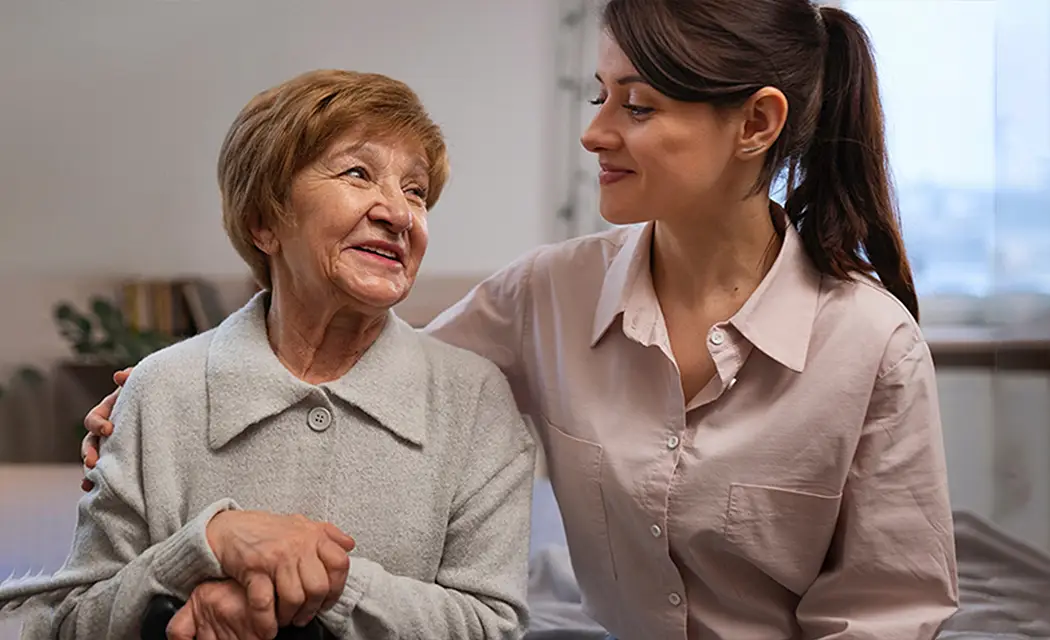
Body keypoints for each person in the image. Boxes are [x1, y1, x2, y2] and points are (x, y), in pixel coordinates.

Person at [79, 0, 959, 638]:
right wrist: (157, 404)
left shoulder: (873, 346)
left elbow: (887, 614)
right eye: (598, 95)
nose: (595, 133)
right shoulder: (544, 295)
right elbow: (376, 375)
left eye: (638, 105)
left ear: (757, 124)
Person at [0, 69, 536, 640]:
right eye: (358, 173)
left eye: (416, 191)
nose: (400, 214)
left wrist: (326, 581)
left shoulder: (474, 398)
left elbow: (492, 626)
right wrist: (205, 546)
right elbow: (70, 622)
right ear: (264, 223)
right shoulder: (159, 391)